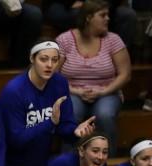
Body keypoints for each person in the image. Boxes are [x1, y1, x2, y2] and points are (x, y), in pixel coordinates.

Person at [55, 0, 131, 156]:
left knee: (104, 115)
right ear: (88, 17)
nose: (107, 19)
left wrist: (103, 92)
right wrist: (75, 90)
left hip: (107, 92)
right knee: (72, 113)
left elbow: (125, 74)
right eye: (103, 15)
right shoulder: (65, 39)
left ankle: (107, 161)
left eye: (108, 15)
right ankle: (68, 163)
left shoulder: (113, 40)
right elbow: (54, 74)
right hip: (72, 91)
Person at [43, 0, 138, 52]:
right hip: (63, 3)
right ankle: (81, 58)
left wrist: (100, 5)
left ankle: (118, 58)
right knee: (81, 14)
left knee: (128, 15)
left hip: (101, 3)